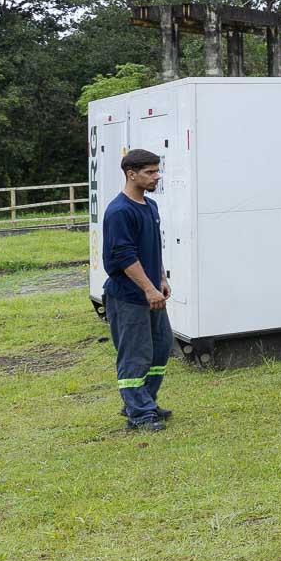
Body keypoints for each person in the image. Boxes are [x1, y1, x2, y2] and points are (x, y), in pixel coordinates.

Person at [102, 148, 174, 432]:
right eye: (150, 172)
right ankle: (139, 414)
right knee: (135, 354)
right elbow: (124, 256)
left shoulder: (150, 206)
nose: (157, 176)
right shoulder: (119, 211)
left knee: (161, 347)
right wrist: (148, 289)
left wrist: (162, 279)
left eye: (157, 171)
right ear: (131, 174)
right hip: (129, 296)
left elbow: (152, 248)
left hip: (152, 291)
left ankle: (145, 401)